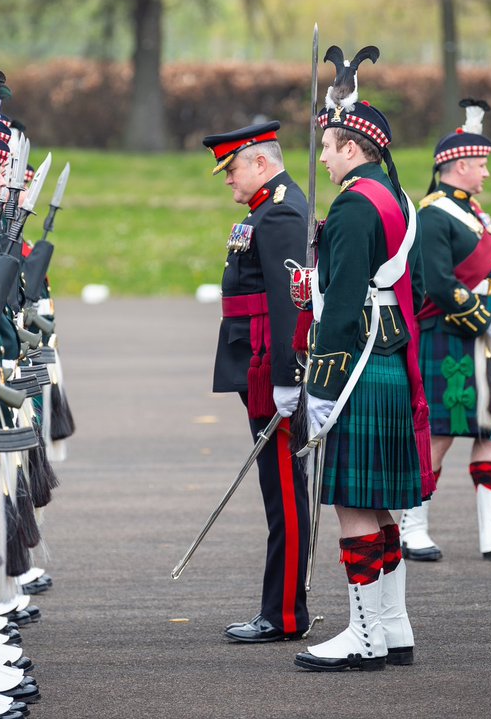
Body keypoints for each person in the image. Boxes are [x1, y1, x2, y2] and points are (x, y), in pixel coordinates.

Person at [294, 45, 429, 672]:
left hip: (357, 361)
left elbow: (344, 304)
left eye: (329, 145)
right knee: (382, 507)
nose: (322, 155)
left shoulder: (353, 203)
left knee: (354, 505)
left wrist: (319, 386)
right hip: (389, 356)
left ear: (353, 148)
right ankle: (393, 628)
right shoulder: (395, 194)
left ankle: (365, 635)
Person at [202, 121, 311, 643]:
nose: (227, 179)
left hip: (272, 369)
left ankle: (285, 614)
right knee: (277, 489)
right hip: (256, 362)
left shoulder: (283, 210)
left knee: (284, 493)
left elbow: (291, 301)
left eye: (233, 168)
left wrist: (289, 378)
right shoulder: (268, 207)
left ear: (262, 163)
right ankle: (282, 607)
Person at [403, 98, 491, 564]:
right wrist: (484, 317)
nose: (487, 174)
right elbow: (438, 283)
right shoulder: (433, 215)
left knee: (489, 429)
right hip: (450, 337)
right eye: (480, 164)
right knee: (440, 433)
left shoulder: (474, 211)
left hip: (485, 341)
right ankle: (414, 524)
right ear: (455, 165)